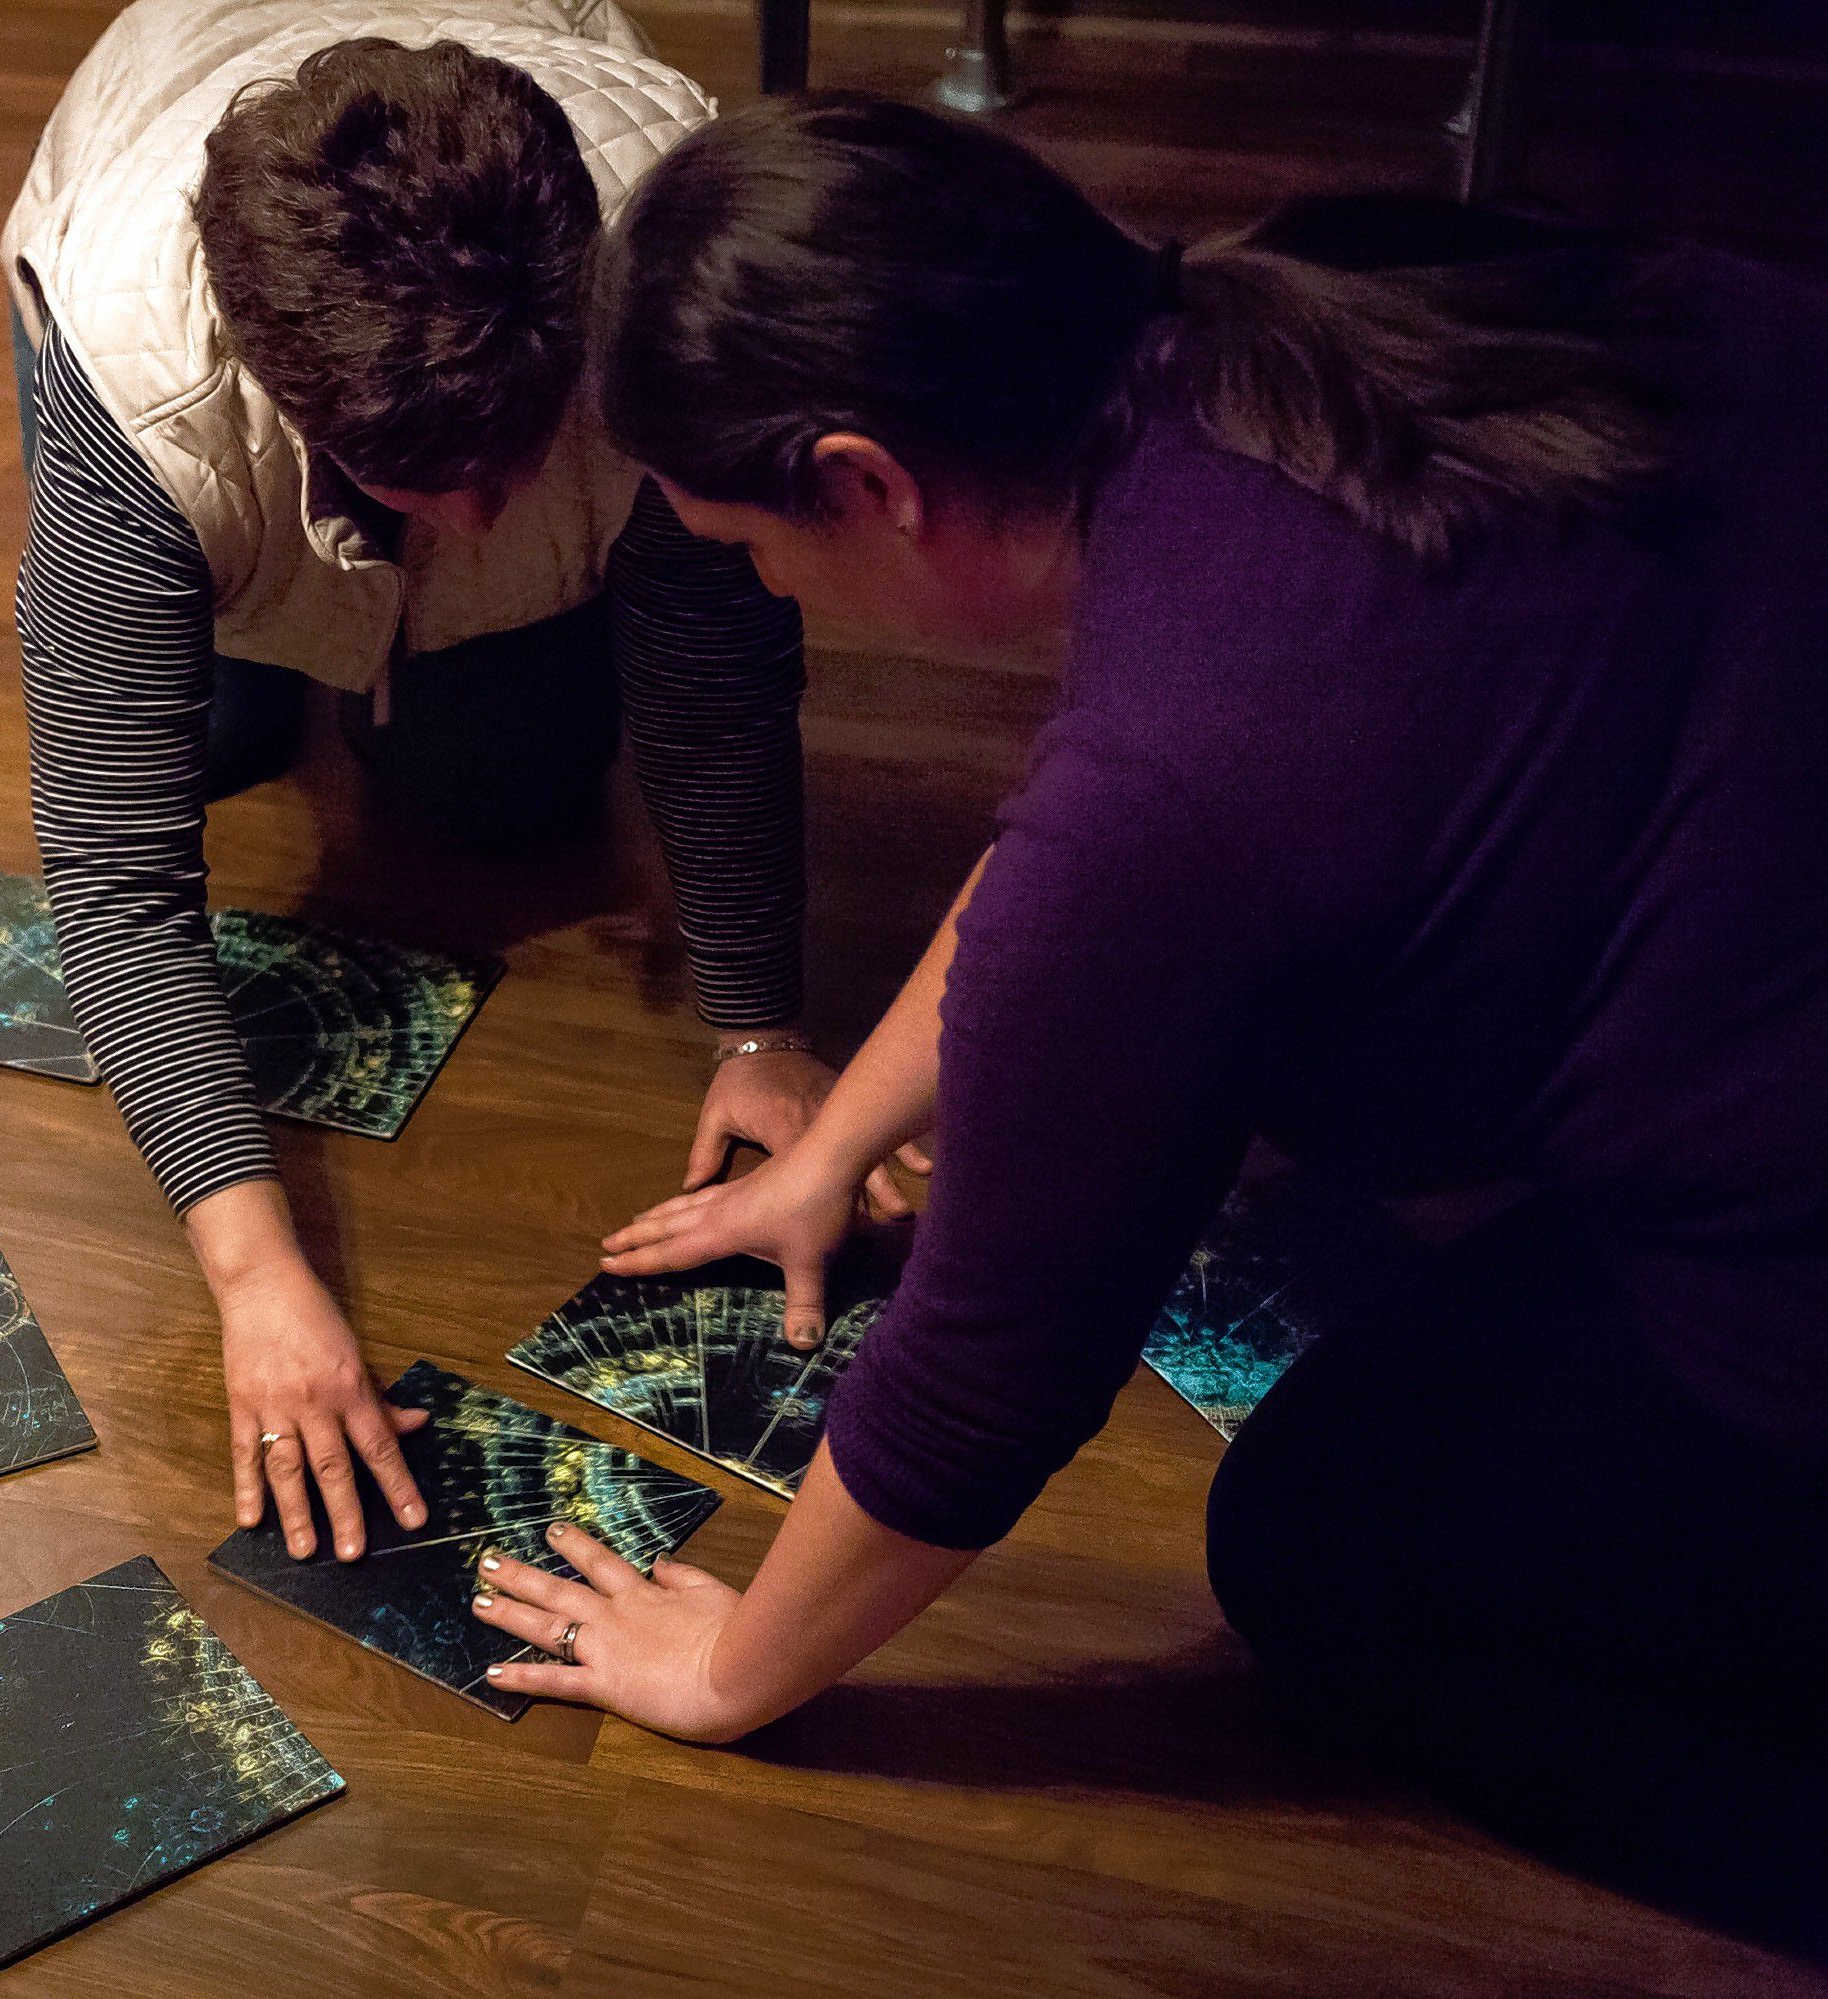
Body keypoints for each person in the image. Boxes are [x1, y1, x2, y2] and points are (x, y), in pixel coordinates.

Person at [469, 92, 1828, 1947]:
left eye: (743, 541)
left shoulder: (1179, 783)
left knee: (1314, 1548)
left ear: (863, 481)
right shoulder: (1316, 293)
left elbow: (980, 1380)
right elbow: (1078, 869)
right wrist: (843, 1147)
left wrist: (729, 1675)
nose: (756, 581)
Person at [2, 3, 831, 1567]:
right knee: (218, 735)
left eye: (512, 460)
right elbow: (113, 885)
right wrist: (258, 1279)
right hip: (148, 201)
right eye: (421, 485)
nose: (478, 509)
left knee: (499, 791)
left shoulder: (665, 289)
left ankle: (377, 655)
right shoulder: (142, 388)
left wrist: (764, 1025)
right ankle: (289, 642)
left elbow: (717, 682)